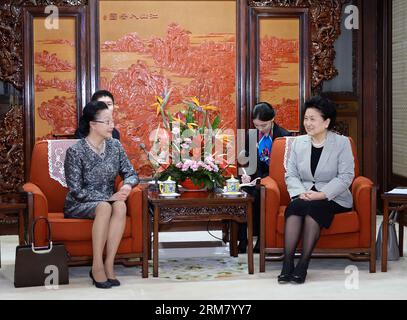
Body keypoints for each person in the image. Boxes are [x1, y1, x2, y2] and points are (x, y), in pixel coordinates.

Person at [278, 96, 354, 284]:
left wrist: (322, 194)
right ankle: (287, 263)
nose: (308, 123)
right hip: (304, 194)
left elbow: (346, 176)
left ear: (326, 122)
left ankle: (303, 264)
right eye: (306, 118)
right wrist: (299, 193)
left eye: (313, 119)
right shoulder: (298, 143)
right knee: (294, 208)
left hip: (333, 197)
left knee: (315, 209)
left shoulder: (342, 143)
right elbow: (291, 173)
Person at [64, 100, 139, 289]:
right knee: (105, 207)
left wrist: (126, 187)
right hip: (79, 203)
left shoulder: (115, 146)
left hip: (108, 199)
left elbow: (131, 173)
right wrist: (107, 198)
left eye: (112, 121)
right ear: (93, 124)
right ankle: (96, 265)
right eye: (107, 122)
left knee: (120, 205)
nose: (112, 126)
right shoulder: (75, 151)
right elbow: (76, 190)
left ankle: (109, 264)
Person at [239, 101, 291, 253]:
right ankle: (243, 240)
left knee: (262, 196)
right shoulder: (251, 135)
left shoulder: (283, 136)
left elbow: (284, 167)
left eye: (264, 125)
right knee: (243, 195)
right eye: (257, 125)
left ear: (272, 119)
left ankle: (261, 240)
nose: (260, 129)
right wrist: (246, 175)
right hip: (256, 176)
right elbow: (247, 161)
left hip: (274, 180)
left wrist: (264, 179)